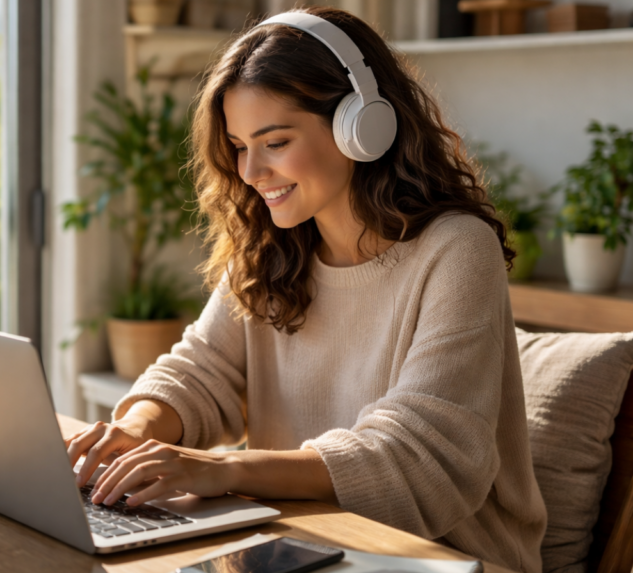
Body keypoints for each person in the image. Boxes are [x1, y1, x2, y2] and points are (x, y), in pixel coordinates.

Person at [64, 6, 547, 573]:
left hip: (443, 557)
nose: (250, 172)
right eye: (239, 146)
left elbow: (422, 455)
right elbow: (199, 372)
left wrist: (223, 469)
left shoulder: (456, 248)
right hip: (298, 545)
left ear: (361, 126)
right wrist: (130, 434)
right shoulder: (272, 248)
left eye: (274, 142)